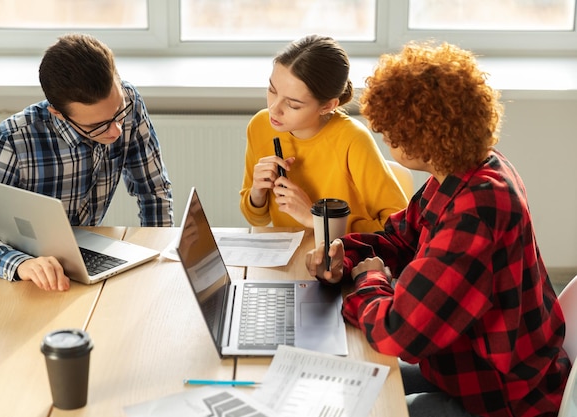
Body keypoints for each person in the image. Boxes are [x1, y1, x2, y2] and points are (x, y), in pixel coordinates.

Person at [305, 41, 570, 417]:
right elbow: (399, 238)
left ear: (418, 136)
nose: (386, 138)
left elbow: (399, 333)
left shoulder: (477, 210)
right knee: (345, 379)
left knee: (365, 404)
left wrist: (370, 280)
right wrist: (342, 257)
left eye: (390, 131)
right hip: (466, 364)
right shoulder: (468, 170)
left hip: (501, 396)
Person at [0, 33, 173, 292]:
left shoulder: (129, 101)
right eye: (97, 126)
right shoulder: (14, 140)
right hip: (23, 275)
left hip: (83, 261)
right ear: (58, 113)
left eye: (118, 113)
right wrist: (18, 263)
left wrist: (159, 256)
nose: (116, 132)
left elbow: (153, 191)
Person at [239, 34, 407, 234]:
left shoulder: (352, 139)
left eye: (293, 104)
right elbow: (256, 218)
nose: (274, 109)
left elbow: (400, 228)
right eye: (272, 90)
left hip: (344, 257)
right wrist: (257, 193)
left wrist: (316, 219)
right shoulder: (260, 125)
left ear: (327, 106)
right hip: (291, 255)